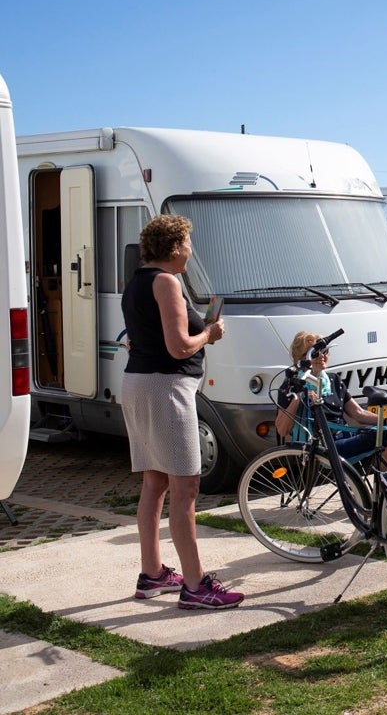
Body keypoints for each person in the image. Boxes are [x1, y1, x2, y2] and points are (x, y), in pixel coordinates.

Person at [122, 214, 244, 610]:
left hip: (140, 384)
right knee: (186, 488)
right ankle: (195, 586)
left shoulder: (137, 281)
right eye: (188, 243)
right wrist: (210, 333)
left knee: (154, 483)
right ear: (175, 247)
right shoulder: (166, 281)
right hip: (166, 388)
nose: (192, 250)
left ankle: (152, 573)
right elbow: (178, 347)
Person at [275, 331, 387, 467]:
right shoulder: (292, 384)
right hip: (324, 447)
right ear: (302, 358)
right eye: (315, 353)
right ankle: (385, 482)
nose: (322, 356)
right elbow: (282, 430)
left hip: (345, 436)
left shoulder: (333, 380)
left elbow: (358, 414)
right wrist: (299, 396)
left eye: (325, 351)